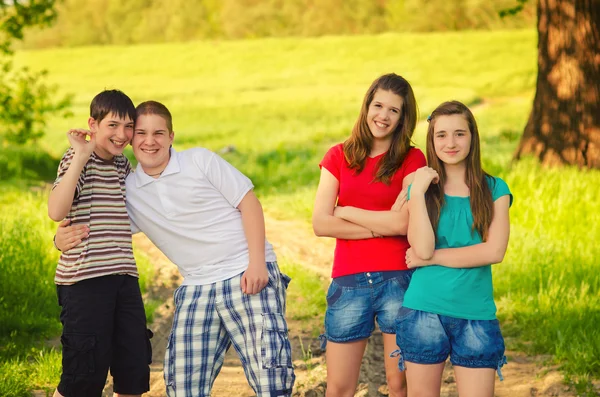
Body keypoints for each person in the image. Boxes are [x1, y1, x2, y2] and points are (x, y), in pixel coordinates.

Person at [56, 100, 294, 397]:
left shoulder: (200, 161)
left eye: (159, 133)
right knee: (182, 383)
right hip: (196, 285)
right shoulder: (129, 188)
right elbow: (101, 222)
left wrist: (257, 262)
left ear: (171, 136)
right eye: (141, 133)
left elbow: (249, 204)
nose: (149, 141)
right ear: (131, 139)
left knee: (271, 373)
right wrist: (60, 238)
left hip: (245, 272)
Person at [312, 73, 426, 397]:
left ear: (404, 118)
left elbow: (404, 224)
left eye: (394, 110)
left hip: (399, 281)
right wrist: (382, 224)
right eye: (378, 105)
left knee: (399, 384)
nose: (383, 116)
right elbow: (321, 223)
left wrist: (345, 212)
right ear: (367, 106)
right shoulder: (338, 156)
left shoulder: (412, 160)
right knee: (338, 387)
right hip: (348, 282)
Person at [396, 100, 512, 397]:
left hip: (476, 313)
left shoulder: (495, 189)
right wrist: (418, 192)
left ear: (472, 137)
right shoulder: (421, 189)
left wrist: (434, 257)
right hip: (424, 310)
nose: (451, 143)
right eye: (441, 135)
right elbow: (420, 248)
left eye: (459, 133)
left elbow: (493, 252)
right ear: (432, 140)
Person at [48, 90, 151, 397]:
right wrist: (80, 154)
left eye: (128, 126)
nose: (122, 135)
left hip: (124, 280)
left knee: (134, 371)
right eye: (113, 125)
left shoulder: (122, 167)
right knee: (83, 378)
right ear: (93, 124)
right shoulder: (77, 159)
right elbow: (56, 211)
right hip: (84, 282)